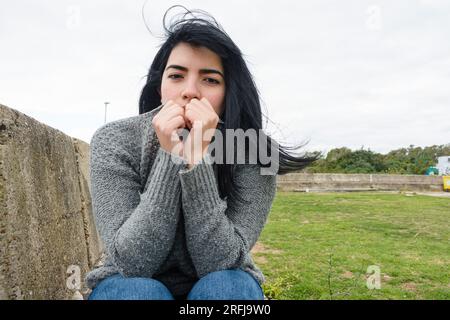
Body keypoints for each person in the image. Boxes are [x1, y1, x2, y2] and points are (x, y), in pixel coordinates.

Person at [85, 5, 319, 300]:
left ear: (229, 91)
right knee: (136, 291)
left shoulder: (256, 152)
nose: (190, 91)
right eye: (176, 76)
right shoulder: (114, 140)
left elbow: (220, 263)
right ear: (160, 86)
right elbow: (133, 262)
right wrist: (173, 157)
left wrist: (196, 160)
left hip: (221, 282)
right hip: (130, 282)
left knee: (228, 288)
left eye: (210, 79)